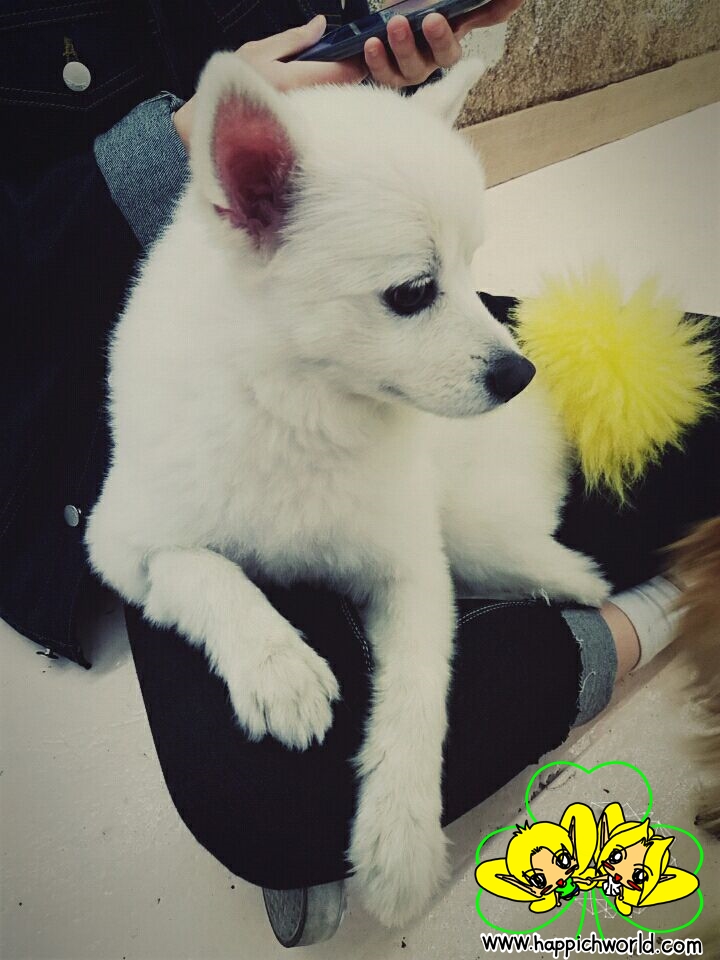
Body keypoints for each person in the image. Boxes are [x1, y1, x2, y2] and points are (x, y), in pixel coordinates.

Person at [2, 0, 717, 915]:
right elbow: (127, 540)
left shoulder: (398, 303)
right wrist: (174, 142)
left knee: (675, 396)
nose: (497, 349)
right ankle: (640, 613)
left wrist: (388, 67)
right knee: (269, 783)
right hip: (126, 391)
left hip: (339, 308)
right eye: (420, 293)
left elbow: (358, 174)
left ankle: (607, 605)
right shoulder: (181, 403)